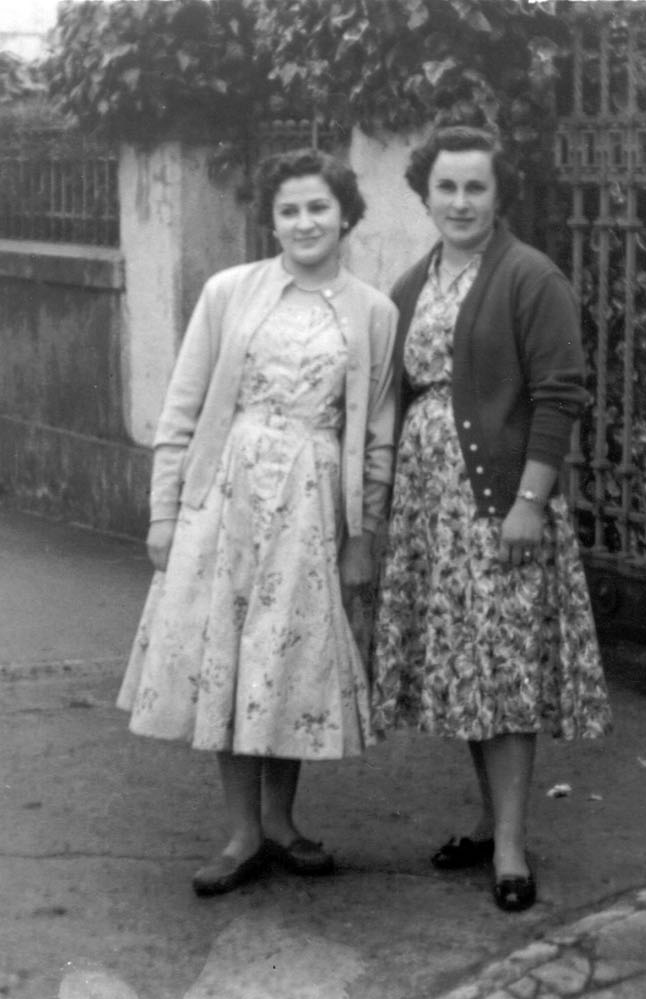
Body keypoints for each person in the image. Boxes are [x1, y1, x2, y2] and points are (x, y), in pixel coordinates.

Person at [117, 149, 398, 897]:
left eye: (318, 207)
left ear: (345, 215)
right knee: (230, 653)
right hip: (227, 500)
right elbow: (182, 407)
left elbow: (377, 436)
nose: (304, 223)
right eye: (288, 210)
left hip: (312, 508)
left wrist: (363, 535)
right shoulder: (229, 292)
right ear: (270, 220)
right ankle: (241, 832)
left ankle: (281, 822)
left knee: (288, 656)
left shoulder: (373, 311)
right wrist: (165, 513)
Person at [371, 124, 610, 913]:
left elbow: (559, 395)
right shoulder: (413, 283)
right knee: (468, 671)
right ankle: (485, 821)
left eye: (475, 187)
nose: (460, 201)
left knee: (503, 673)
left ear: (498, 193)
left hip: (498, 502)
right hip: (432, 508)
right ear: (425, 194)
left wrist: (528, 504)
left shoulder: (530, 276)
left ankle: (509, 845)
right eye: (446, 187)